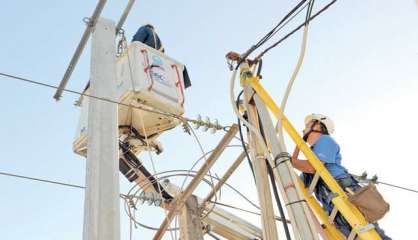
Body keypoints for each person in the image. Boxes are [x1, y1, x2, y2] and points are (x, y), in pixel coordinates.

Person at [291, 114, 391, 239]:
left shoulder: (325, 140)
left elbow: (311, 167)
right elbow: (299, 175)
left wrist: (288, 159)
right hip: (333, 204)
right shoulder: (312, 153)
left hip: (344, 193)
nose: (303, 129)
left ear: (319, 125)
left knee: (372, 235)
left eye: (307, 125)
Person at [132, 24, 191, 88]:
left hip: (144, 60)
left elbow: (136, 43)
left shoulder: (143, 29)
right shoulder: (160, 43)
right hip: (155, 69)